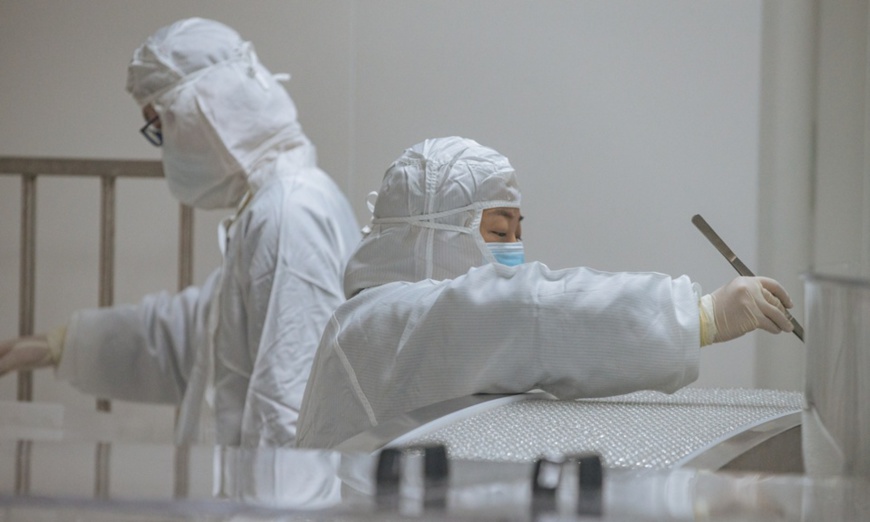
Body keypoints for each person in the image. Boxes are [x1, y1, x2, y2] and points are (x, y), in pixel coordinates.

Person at [294, 136, 795, 449]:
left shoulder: (417, 318)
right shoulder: (376, 321)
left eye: (518, 230)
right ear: (434, 232)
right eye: (497, 231)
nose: (515, 249)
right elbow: (525, 310)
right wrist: (700, 314)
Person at [0, 18, 361, 447]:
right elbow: (199, 339)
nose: (163, 146)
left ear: (203, 112)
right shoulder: (277, 205)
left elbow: (289, 410)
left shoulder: (288, 215)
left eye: (159, 126)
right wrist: (54, 345)